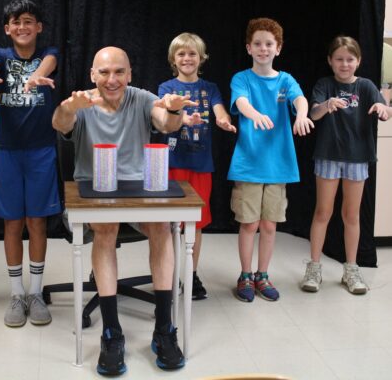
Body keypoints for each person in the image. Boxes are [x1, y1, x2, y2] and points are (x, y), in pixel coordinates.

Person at [52, 46, 197, 376]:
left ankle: (164, 330)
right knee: (107, 228)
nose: (112, 79)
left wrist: (173, 112)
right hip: (95, 189)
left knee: (162, 226)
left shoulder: (142, 98)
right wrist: (68, 107)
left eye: (119, 72)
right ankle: (111, 333)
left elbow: (166, 123)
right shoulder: (83, 102)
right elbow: (60, 123)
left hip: (138, 189)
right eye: (104, 72)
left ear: (130, 74)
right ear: (93, 75)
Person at [0, 0, 61, 327]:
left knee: (37, 221)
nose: (22, 27)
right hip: (8, 151)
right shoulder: (1, 55)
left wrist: (36, 77)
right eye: (16, 22)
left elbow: (49, 63)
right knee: (13, 223)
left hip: (41, 150)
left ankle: (36, 293)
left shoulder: (49, 52)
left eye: (28, 21)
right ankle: (16, 294)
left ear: (38, 27)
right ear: (7, 29)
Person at [228, 18, 313, 303]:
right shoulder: (241, 79)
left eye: (269, 44)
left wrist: (301, 114)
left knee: (269, 225)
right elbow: (241, 103)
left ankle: (262, 275)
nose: (263, 49)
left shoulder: (285, 80)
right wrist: (254, 114)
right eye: (258, 44)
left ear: (278, 48)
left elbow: (299, 99)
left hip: (278, 165)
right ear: (249, 48)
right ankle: (245, 274)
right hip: (249, 163)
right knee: (248, 224)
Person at [300, 36, 392, 295]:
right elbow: (313, 114)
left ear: (358, 61)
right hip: (328, 156)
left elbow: (385, 110)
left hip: (358, 157)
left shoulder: (366, 86)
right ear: (330, 61)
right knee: (323, 212)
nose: (344, 64)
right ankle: (314, 267)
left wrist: (383, 109)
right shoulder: (324, 84)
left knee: (351, 215)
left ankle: (351, 268)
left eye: (350, 59)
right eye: (339, 59)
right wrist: (326, 105)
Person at [158, 32, 236, 300]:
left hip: (201, 165)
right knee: (170, 225)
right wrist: (181, 116)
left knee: (196, 224)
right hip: (173, 163)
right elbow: (167, 110)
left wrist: (223, 120)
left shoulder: (210, 88)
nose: (187, 58)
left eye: (192, 53)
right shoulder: (166, 88)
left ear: (201, 58)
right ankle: (166, 275)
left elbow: (219, 109)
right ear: (173, 59)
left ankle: (190, 275)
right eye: (181, 54)